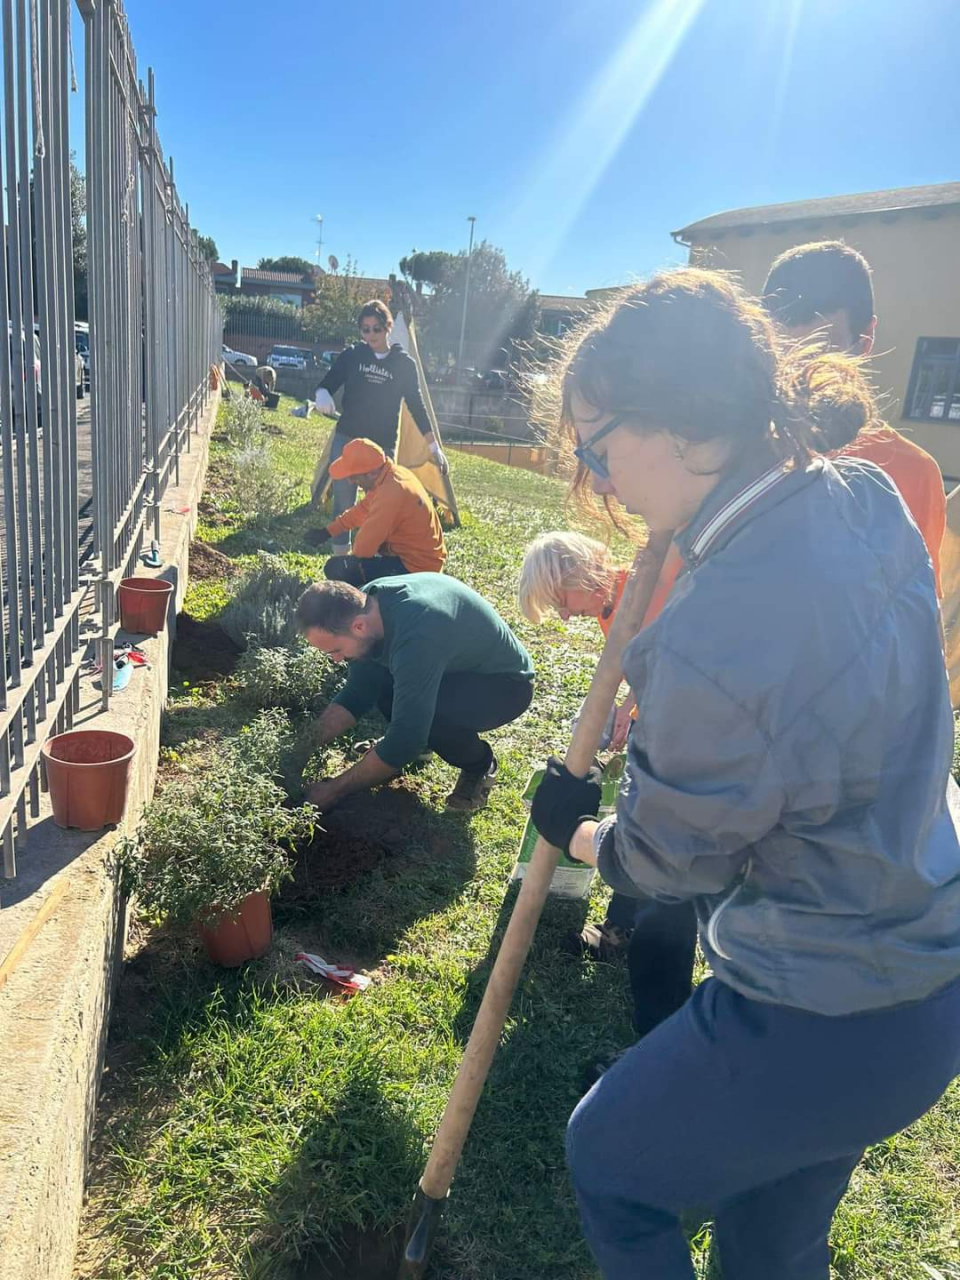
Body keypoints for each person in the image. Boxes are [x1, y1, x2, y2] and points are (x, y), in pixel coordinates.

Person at [530, 267, 960, 1280]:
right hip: (925, 975)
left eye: (597, 448)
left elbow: (668, 862)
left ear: (681, 422)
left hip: (817, 1006)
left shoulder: (715, 630)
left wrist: (574, 828)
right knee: (772, 1241)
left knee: (611, 1160)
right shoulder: (862, 496)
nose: (600, 483)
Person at [519, 531, 694, 1018]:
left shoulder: (646, 588)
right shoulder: (611, 606)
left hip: (683, 736)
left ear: (580, 574)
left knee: (653, 839)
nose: (564, 615)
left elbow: (671, 656)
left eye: (561, 601)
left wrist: (634, 708)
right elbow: (641, 663)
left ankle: (649, 967)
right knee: (635, 821)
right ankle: (622, 927)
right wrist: (626, 706)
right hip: (658, 725)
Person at [762, 240, 946, 592]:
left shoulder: (911, 474)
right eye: (777, 353)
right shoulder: (724, 440)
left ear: (864, 342)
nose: (791, 376)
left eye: (817, 356)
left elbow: (913, 610)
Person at [298, 575, 533, 813]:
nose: (336, 659)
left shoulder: (417, 634)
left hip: (504, 685)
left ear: (359, 626)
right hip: (449, 667)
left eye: (336, 650)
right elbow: (358, 692)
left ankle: (479, 765)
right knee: (389, 687)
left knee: (429, 722)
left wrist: (334, 789)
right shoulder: (363, 607)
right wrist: (301, 749)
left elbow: (406, 739)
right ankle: (420, 748)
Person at [314, 300, 449, 554]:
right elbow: (327, 383)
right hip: (348, 440)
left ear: (388, 327)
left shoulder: (404, 364)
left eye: (376, 328)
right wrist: (322, 394)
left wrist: (433, 446)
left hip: (382, 446)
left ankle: (374, 560)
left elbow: (417, 406)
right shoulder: (352, 356)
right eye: (365, 329)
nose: (371, 335)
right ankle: (341, 557)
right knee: (343, 501)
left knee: (383, 504)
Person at [306, 438, 446, 586]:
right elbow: (362, 510)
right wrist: (328, 531)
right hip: (422, 560)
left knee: (336, 568)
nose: (350, 481)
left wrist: (350, 570)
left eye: (353, 477)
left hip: (417, 569)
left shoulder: (390, 493)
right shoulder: (390, 476)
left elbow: (364, 547)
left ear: (371, 474)